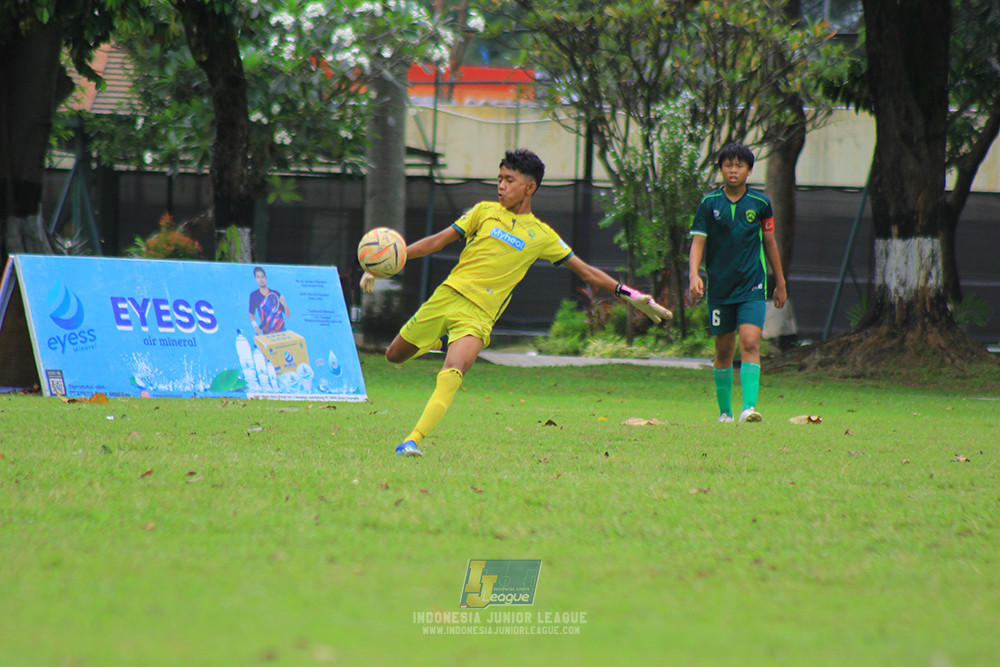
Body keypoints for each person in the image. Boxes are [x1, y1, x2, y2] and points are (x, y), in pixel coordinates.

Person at [361, 148, 671, 457]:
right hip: (446, 297)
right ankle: (442, 340)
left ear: (530, 187)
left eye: (509, 180)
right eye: (499, 179)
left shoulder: (542, 234)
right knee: (394, 356)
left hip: (479, 315)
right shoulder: (483, 211)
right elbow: (437, 241)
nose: (501, 186)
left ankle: (412, 440)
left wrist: (632, 296)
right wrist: (390, 260)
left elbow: (587, 272)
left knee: (454, 369)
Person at [688, 142, 787, 423]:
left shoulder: (761, 204)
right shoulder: (709, 204)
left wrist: (779, 282)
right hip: (719, 288)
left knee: (750, 342)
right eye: (728, 165)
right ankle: (725, 412)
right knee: (722, 349)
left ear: (749, 170)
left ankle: (749, 408)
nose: (733, 170)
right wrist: (694, 275)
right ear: (720, 169)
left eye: (739, 166)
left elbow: (770, 243)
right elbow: (698, 242)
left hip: (752, 286)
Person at [249, 266, 291, 335]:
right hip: (267, 334)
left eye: (262, 276)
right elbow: (251, 314)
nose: (261, 279)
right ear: (255, 279)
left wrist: (284, 303)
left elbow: (288, 315)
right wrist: (255, 326)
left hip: (282, 332)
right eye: (258, 277)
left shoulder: (276, 294)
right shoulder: (254, 296)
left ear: (265, 278)